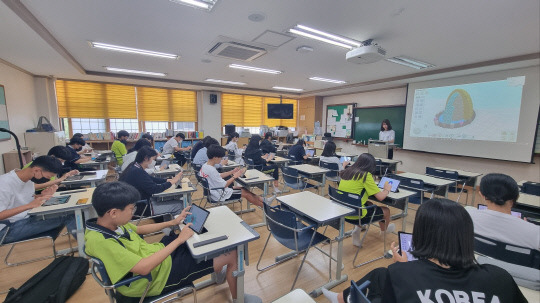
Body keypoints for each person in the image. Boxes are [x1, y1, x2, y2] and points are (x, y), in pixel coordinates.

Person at [84, 182, 262, 303]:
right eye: (131, 209)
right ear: (113, 212)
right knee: (231, 254)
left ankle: (217, 269)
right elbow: (143, 268)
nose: (133, 213)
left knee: (195, 238)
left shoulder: (106, 225)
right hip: (152, 279)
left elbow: (137, 229)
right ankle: (238, 297)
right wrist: (178, 240)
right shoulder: (102, 241)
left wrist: (172, 223)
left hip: (157, 256)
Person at [323, 198, 526, 303]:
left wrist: (407, 271)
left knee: (382, 276)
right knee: (380, 274)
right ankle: (343, 297)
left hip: (359, 219)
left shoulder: (400, 275)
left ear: (420, 235)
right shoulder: (501, 279)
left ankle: (344, 298)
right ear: (466, 235)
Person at [466, 173, 540, 290]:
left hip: (475, 274)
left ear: (482, 195)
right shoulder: (535, 232)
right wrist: (525, 225)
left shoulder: (466, 214)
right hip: (519, 285)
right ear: (516, 197)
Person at [0, 156, 76, 243]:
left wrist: (41, 196)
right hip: (7, 229)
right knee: (68, 217)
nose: (47, 180)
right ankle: (86, 249)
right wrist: (29, 205)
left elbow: (20, 200)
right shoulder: (4, 184)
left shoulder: (27, 180)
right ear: (36, 170)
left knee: (71, 211)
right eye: (48, 177)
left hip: (26, 218)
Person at [338, 153, 394, 246]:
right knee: (386, 210)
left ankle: (357, 231)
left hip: (344, 211)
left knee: (369, 203)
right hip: (357, 215)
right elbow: (381, 197)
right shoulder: (365, 175)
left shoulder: (348, 171)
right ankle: (384, 232)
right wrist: (387, 189)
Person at [200, 144, 275, 207]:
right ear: (215, 157)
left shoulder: (205, 166)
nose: (221, 160)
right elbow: (224, 185)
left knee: (243, 188)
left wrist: (231, 172)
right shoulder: (211, 169)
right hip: (219, 194)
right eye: (220, 157)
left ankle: (264, 200)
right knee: (245, 193)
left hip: (214, 191)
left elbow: (218, 176)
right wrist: (235, 176)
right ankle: (266, 207)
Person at [119, 146, 183, 216]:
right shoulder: (137, 172)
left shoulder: (134, 166)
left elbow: (151, 179)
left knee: (169, 199)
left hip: (136, 202)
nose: (154, 162)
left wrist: (167, 180)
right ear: (146, 158)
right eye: (153, 159)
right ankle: (172, 224)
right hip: (142, 207)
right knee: (179, 205)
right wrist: (171, 182)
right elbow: (154, 189)